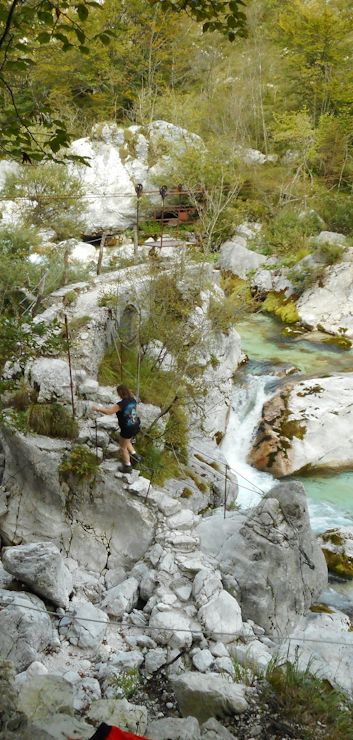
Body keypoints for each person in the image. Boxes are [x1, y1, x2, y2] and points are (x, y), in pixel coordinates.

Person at [93, 384, 141, 474]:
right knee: (127, 441)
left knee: (122, 448)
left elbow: (109, 412)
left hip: (127, 428)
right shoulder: (133, 400)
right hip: (135, 425)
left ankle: (127, 466)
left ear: (120, 393)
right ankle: (135, 456)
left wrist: (98, 409)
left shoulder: (121, 404)